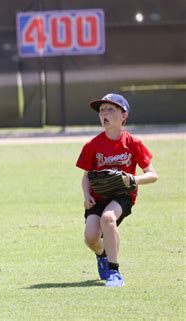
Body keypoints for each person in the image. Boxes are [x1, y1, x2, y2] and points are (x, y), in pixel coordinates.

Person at [76, 93, 158, 287]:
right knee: (91, 238)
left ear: (124, 116)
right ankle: (102, 255)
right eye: (101, 110)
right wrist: (86, 195)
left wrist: (132, 179)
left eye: (110, 109)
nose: (104, 113)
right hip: (98, 197)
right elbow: (86, 176)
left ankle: (115, 272)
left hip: (123, 195)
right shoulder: (92, 145)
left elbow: (153, 175)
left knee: (108, 219)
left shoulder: (133, 143)